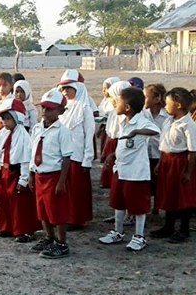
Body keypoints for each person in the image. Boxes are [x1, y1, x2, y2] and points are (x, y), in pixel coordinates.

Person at [98, 87, 160, 251]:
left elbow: (156, 130)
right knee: (119, 203)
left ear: (127, 107)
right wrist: (113, 155)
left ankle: (139, 236)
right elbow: (123, 145)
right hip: (121, 170)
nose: (115, 104)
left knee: (138, 206)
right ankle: (118, 232)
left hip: (136, 173)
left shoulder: (140, 120)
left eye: (118, 102)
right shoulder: (123, 121)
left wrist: (137, 132)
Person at [29, 89, 74, 259]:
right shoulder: (37, 129)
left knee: (57, 211)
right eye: (44, 108)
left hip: (54, 176)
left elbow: (66, 158)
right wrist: (31, 174)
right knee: (42, 210)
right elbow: (32, 152)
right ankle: (49, 237)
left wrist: (62, 181)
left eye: (50, 109)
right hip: (40, 174)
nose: (45, 112)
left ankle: (62, 243)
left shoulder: (63, 131)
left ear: (61, 111)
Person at [0, 99, 40, 242]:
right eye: (4, 119)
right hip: (4, 172)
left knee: (20, 204)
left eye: (8, 119)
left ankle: (24, 230)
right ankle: (7, 227)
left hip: (16, 172)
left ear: (17, 117)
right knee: (4, 201)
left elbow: (24, 158)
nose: (5, 122)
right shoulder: (3, 134)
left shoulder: (23, 136)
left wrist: (23, 179)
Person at [150, 88, 196, 243]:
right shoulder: (169, 121)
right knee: (168, 193)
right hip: (167, 161)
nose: (166, 106)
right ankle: (168, 226)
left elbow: (192, 150)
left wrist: (188, 172)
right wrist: (161, 161)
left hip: (180, 162)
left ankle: (183, 229)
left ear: (178, 104)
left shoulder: (188, 125)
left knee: (182, 196)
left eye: (168, 103)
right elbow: (165, 143)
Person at [57, 69, 96, 228]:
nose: (65, 92)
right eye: (63, 88)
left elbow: (89, 134)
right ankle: (66, 216)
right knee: (65, 188)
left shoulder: (84, 108)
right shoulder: (62, 108)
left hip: (78, 156)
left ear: (78, 88)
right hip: (63, 155)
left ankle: (77, 219)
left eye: (69, 88)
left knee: (77, 190)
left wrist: (87, 159)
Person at [142, 83, 169, 215]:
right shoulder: (143, 114)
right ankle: (145, 208)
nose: (143, 100)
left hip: (159, 155)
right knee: (145, 183)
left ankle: (156, 209)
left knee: (158, 183)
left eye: (146, 97)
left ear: (157, 99)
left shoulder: (167, 117)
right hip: (145, 154)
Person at [100, 81, 131, 190]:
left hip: (121, 144)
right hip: (112, 143)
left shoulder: (127, 114)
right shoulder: (115, 112)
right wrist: (104, 150)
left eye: (112, 97)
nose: (111, 100)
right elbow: (110, 133)